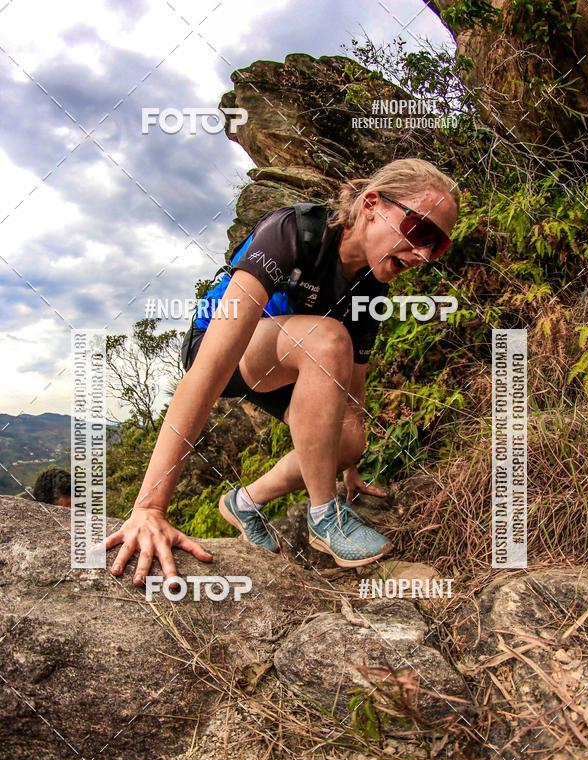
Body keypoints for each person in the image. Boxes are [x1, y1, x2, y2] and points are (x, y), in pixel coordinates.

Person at [107, 158, 459, 585]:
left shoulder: (372, 284)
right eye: (420, 231)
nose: (424, 253)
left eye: (438, 246)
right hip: (223, 348)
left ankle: (245, 501)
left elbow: (354, 385)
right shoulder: (292, 233)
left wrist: (350, 461)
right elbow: (206, 372)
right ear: (371, 204)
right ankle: (325, 518)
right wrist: (149, 508)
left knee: (347, 440)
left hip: (293, 359)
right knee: (328, 338)